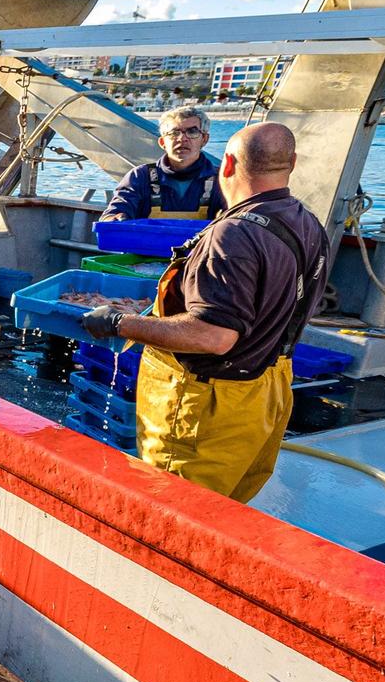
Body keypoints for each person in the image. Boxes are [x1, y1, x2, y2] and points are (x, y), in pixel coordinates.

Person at [80, 121, 328, 504]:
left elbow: (213, 336)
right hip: (267, 389)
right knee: (227, 504)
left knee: (177, 509)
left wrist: (118, 323)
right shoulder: (306, 222)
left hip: (210, 407)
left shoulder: (232, 235)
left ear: (226, 164)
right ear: (291, 163)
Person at [98, 105, 225, 222]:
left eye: (192, 132)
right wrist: (115, 218)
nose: (182, 138)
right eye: (174, 133)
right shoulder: (140, 176)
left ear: (204, 139)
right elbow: (113, 213)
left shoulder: (223, 180)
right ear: (162, 142)